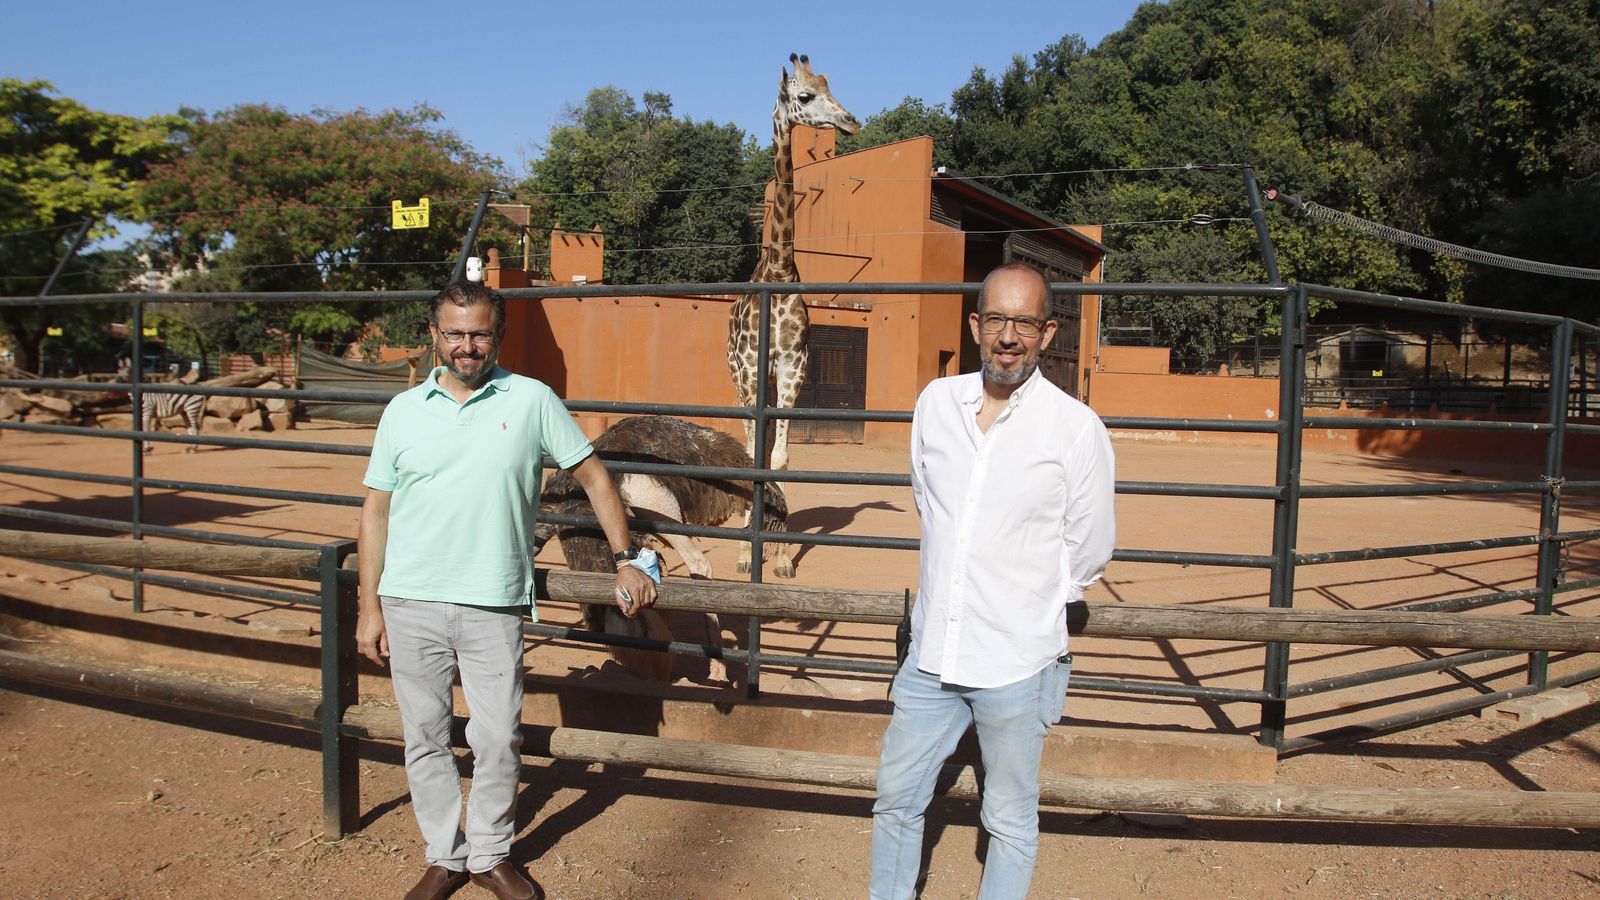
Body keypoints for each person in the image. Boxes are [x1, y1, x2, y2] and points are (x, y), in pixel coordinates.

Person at [358, 281, 658, 900]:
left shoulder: (530, 400)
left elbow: (596, 479)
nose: (467, 346)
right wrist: (369, 606)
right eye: (455, 333)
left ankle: (491, 852)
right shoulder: (403, 411)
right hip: (409, 598)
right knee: (426, 737)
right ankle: (445, 854)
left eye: (479, 333)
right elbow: (375, 510)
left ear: (497, 335)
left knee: (497, 737)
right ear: (435, 335)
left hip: (492, 600)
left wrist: (627, 559)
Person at [869, 262, 1116, 899]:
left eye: (1025, 323)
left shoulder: (1075, 428)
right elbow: (931, 503)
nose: (1010, 336)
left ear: (1048, 330)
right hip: (932, 659)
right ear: (977, 324)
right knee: (895, 800)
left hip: (1016, 661)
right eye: (998, 319)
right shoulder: (935, 404)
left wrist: (1021, 598)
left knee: (1008, 818)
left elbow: (1087, 548)